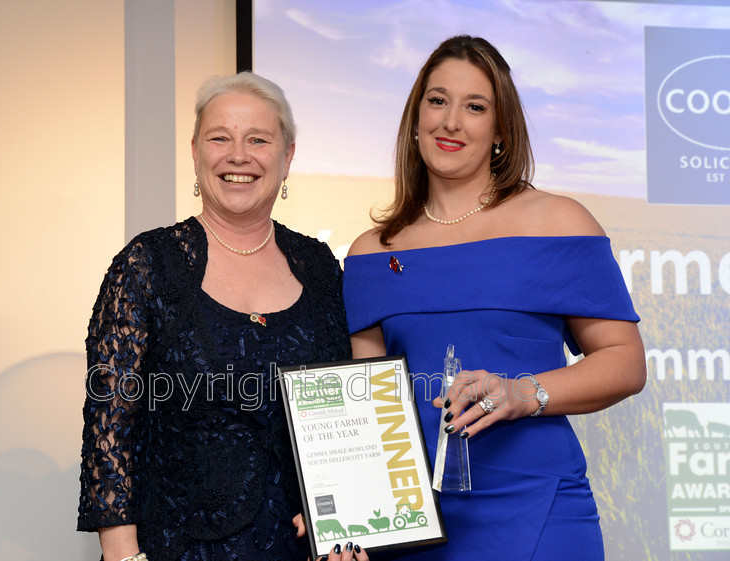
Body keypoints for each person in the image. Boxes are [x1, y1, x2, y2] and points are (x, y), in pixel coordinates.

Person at [343, 35, 646, 561]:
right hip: (415, 529)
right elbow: (366, 411)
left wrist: (522, 394)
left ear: (501, 129)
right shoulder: (372, 252)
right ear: (415, 119)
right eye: (437, 101)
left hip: (539, 513)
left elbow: (625, 363)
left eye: (475, 107)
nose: (451, 121)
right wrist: (347, 515)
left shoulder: (558, 222)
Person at [77, 72, 353, 561]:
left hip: (300, 548)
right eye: (219, 137)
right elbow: (109, 430)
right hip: (177, 549)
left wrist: (344, 515)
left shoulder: (320, 267)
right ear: (195, 151)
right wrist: (124, 558)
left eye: (258, 140)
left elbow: (340, 410)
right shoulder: (149, 265)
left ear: (287, 157)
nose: (238, 155)